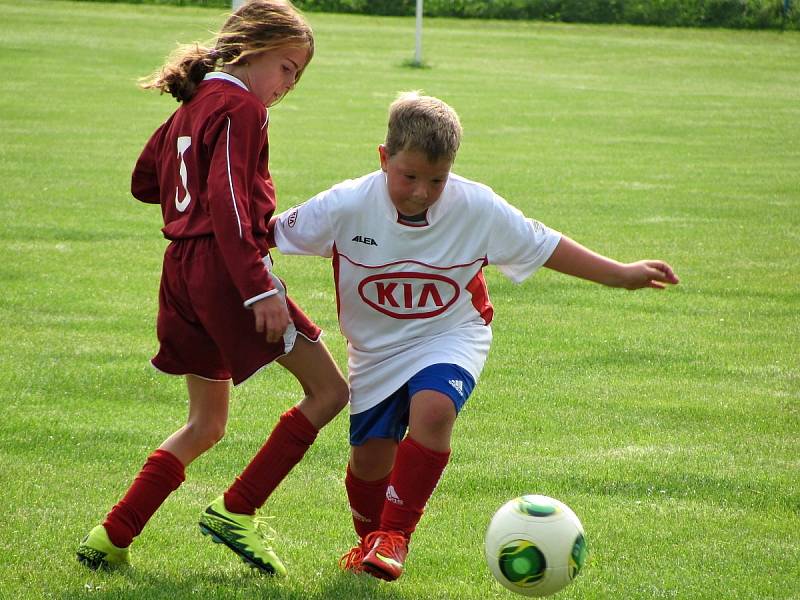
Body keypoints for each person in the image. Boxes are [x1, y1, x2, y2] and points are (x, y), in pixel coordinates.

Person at [268, 91, 679, 582]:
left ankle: (395, 536)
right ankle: (372, 543)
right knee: (368, 465)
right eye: (410, 177)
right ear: (383, 158)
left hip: (451, 332)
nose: (422, 191)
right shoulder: (345, 204)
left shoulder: (476, 207)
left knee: (434, 410)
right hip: (374, 352)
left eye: (437, 180)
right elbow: (265, 237)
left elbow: (544, 244)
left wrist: (620, 274)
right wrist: (262, 290)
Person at [76, 0, 348, 576]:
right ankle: (236, 509)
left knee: (207, 424)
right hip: (227, 273)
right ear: (252, 48)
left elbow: (144, 180)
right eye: (288, 68)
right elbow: (225, 200)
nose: (288, 86)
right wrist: (258, 289)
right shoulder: (241, 106)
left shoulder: (196, 104)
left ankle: (111, 535)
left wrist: (189, 204)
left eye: (297, 76)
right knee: (329, 392)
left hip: (180, 271)